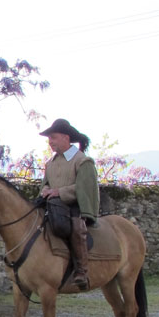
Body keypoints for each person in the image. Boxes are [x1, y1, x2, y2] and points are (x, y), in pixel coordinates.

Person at [39, 118, 100, 290]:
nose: (50, 142)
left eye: (53, 137)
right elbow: (45, 184)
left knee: (76, 228)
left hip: (75, 205)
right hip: (53, 205)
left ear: (66, 138)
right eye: (49, 138)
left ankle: (81, 271)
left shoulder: (83, 161)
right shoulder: (50, 163)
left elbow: (84, 188)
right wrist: (46, 190)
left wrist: (59, 192)